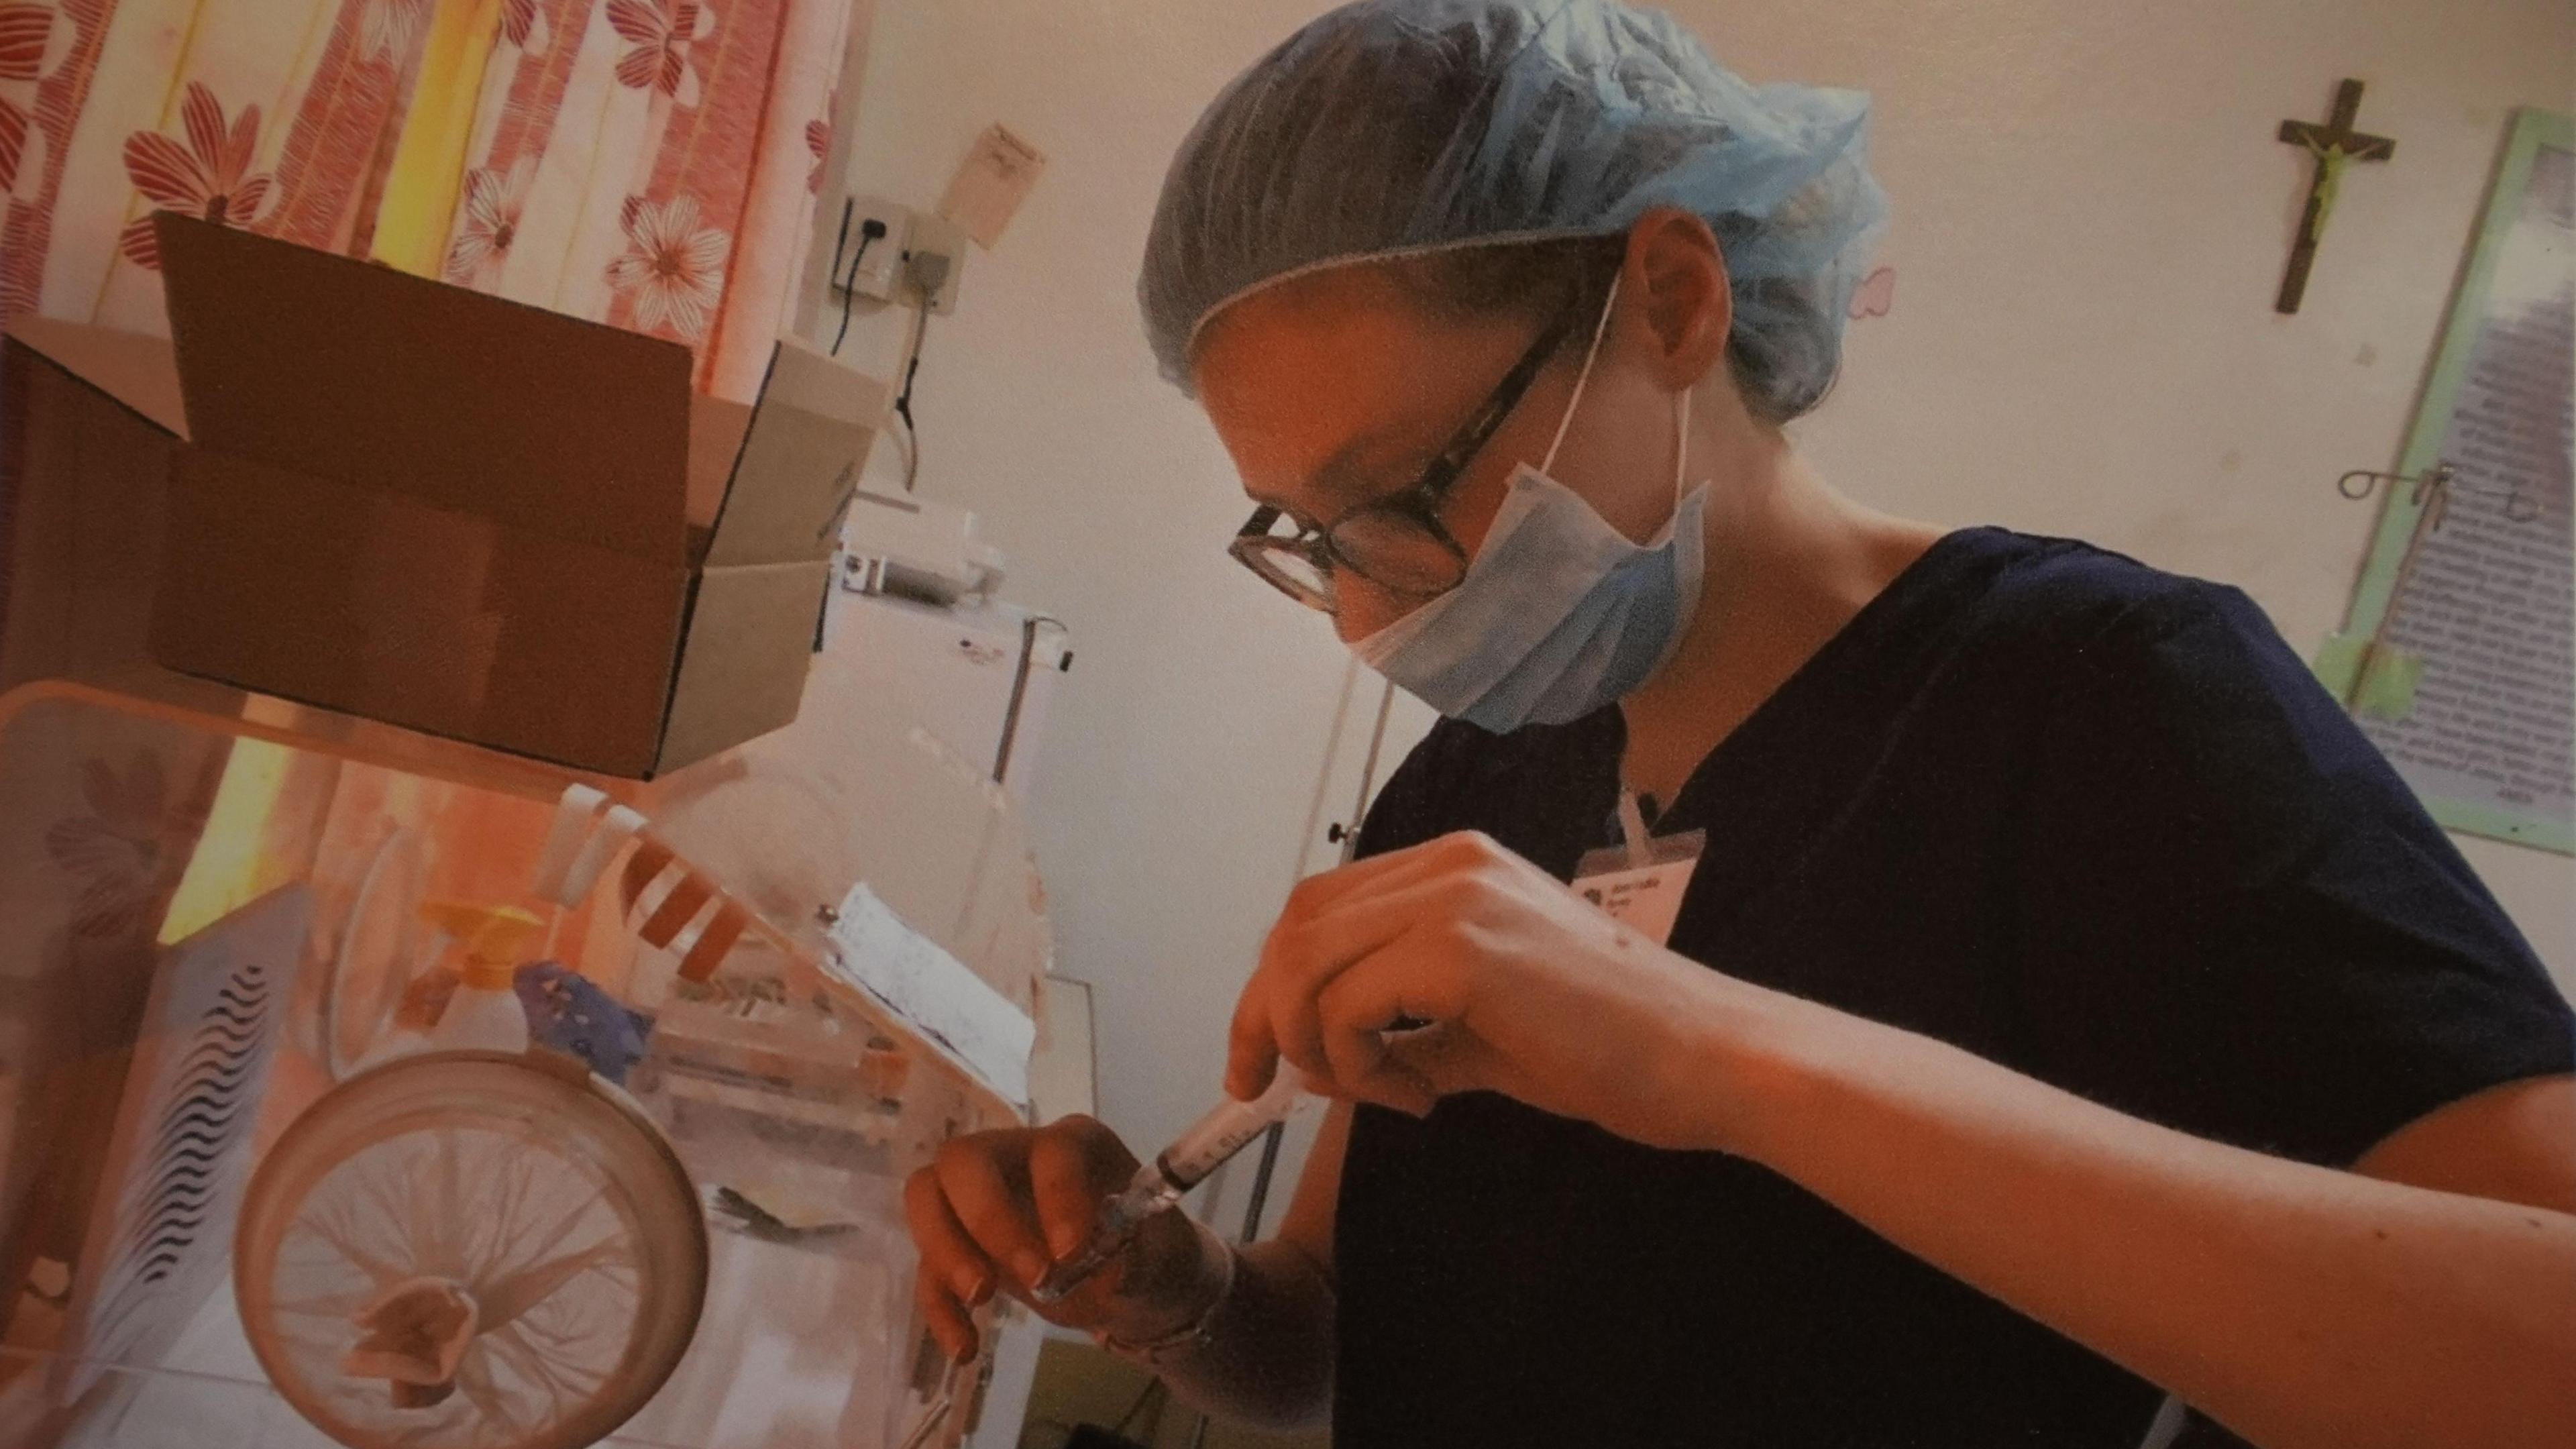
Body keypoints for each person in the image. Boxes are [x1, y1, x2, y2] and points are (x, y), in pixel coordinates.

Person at [904, 3, 2576, 1445]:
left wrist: (1721, 1061)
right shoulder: (1487, 772)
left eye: (1406, 496)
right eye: (1309, 540)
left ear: (1673, 301)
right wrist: (1182, 1293)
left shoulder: (2112, 705)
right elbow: (1335, 1339)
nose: (1367, 615)